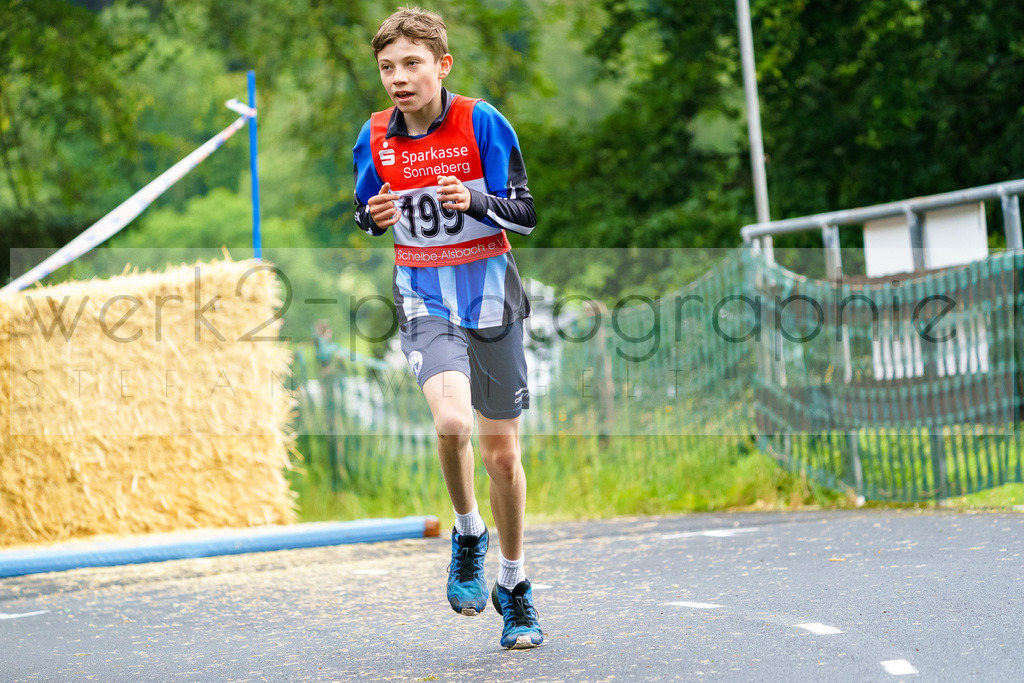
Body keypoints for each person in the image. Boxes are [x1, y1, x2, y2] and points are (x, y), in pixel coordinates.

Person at [351, 7, 543, 650]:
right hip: (425, 298)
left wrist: (477, 200)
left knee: (502, 455)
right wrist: (372, 216)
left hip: (491, 300)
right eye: (387, 68)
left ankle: (514, 587)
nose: (399, 79)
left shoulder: (481, 121)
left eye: (412, 64)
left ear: (442, 65)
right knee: (452, 424)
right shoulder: (374, 134)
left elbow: (526, 212)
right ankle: (467, 534)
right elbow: (364, 210)